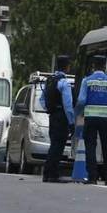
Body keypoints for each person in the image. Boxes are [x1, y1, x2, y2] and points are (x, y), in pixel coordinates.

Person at [76, 55, 107, 186]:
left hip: (90, 117)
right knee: (106, 147)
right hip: (105, 118)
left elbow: (81, 100)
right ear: (104, 66)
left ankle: (92, 177)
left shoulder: (87, 80)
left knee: (90, 147)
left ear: (93, 66)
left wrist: (80, 111)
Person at [40, 55, 75, 183]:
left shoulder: (50, 80)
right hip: (61, 117)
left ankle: (48, 173)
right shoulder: (63, 82)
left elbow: (41, 100)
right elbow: (68, 105)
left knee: (53, 144)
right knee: (58, 146)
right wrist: (71, 122)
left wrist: (50, 109)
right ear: (67, 67)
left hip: (52, 116)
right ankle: (52, 174)